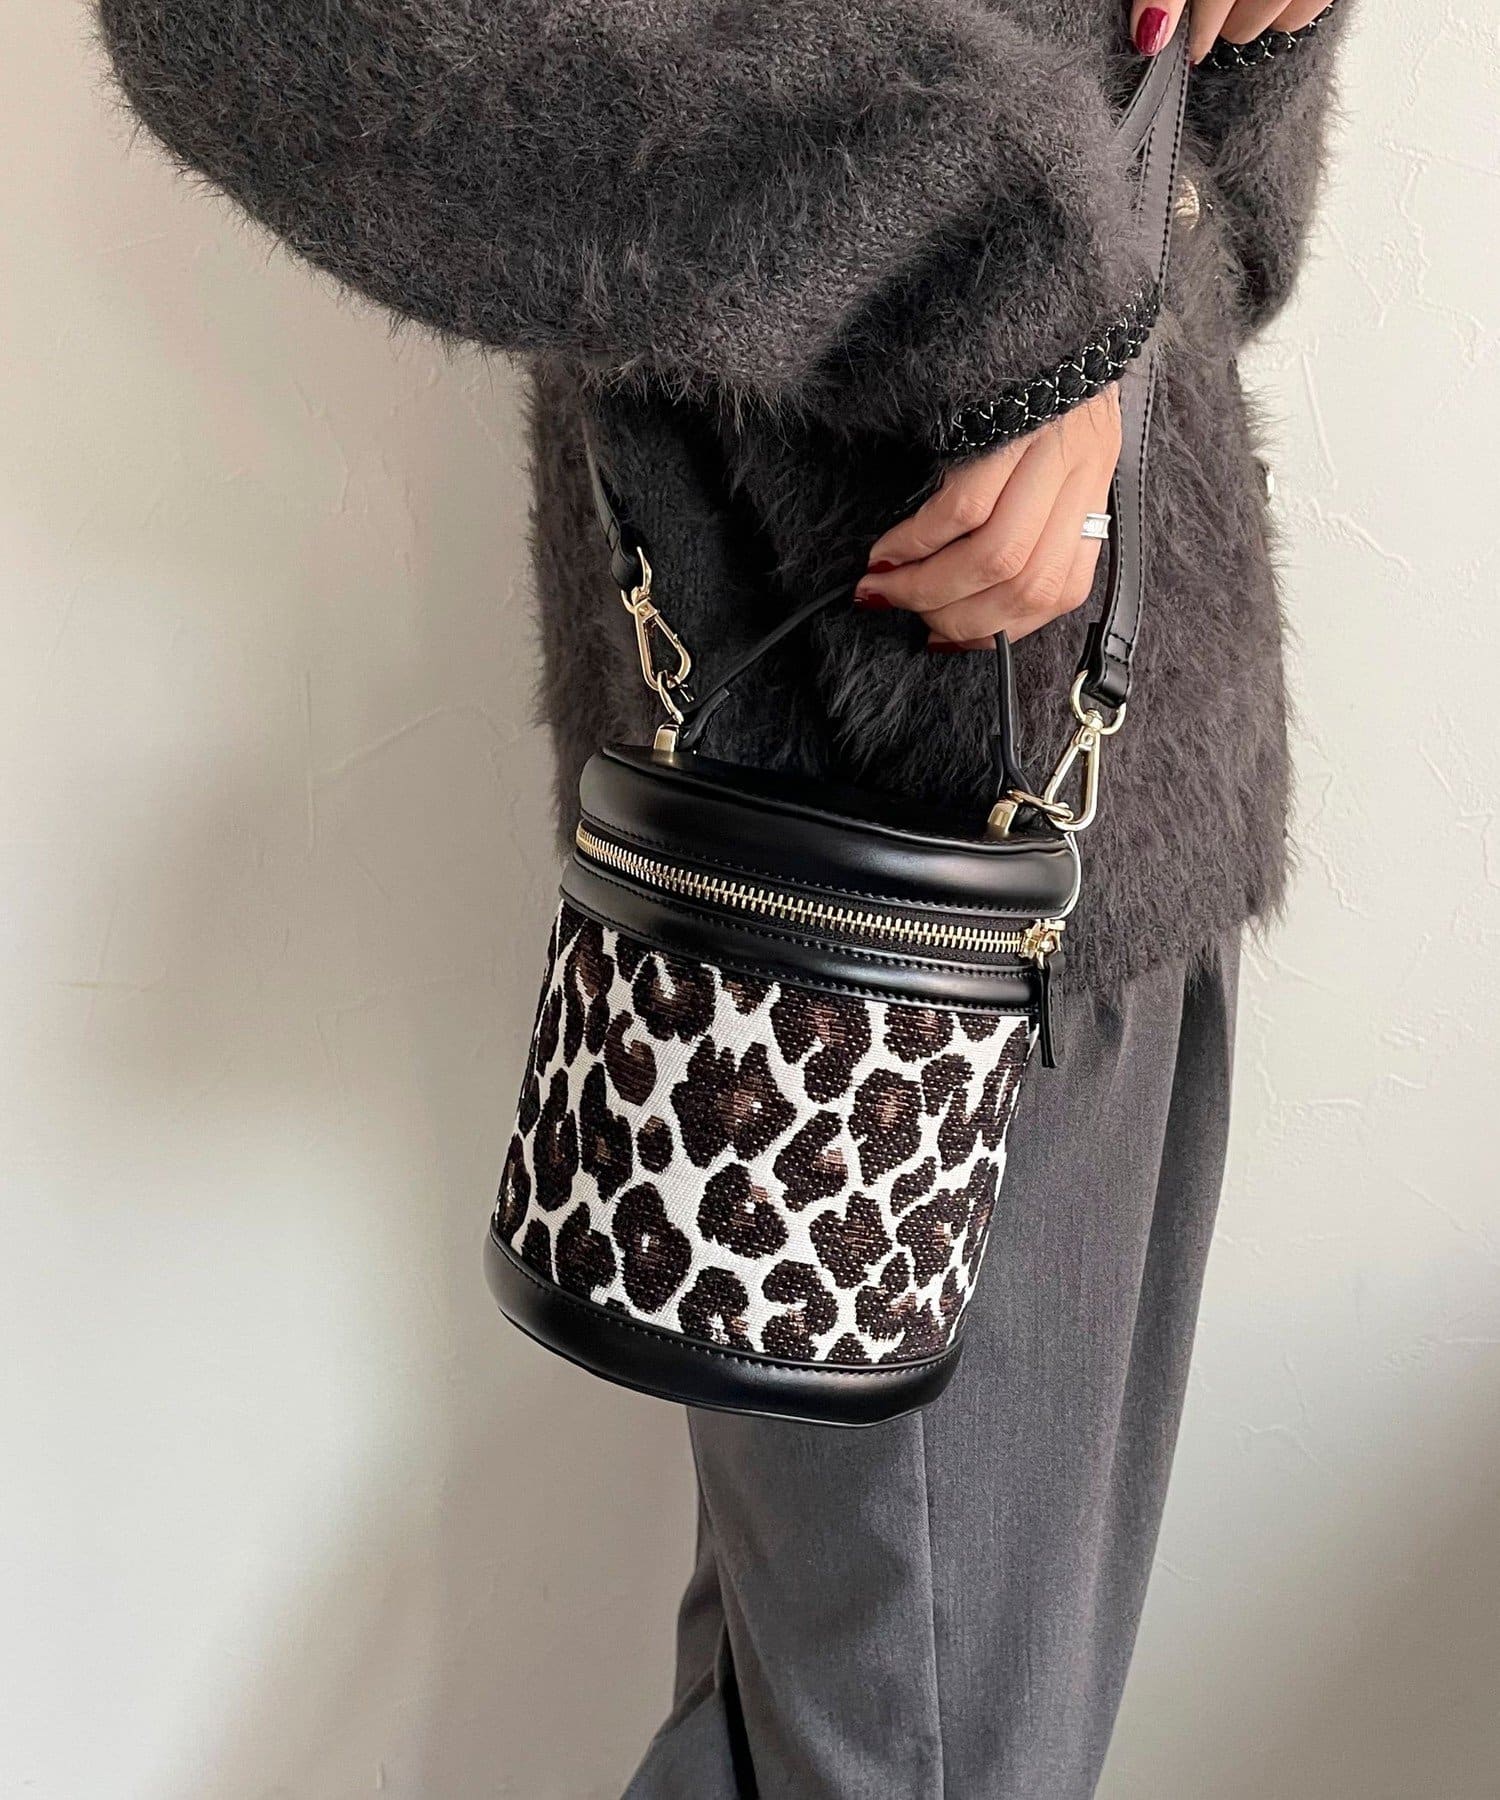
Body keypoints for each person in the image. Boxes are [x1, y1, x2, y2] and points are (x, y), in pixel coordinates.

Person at [97, 0, 1351, 1791]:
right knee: (899, 1754)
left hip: (1105, 797)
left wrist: (1246, 61)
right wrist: (990, 264)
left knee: (832, 1735)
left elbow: (1215, 215)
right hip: (864, 893)